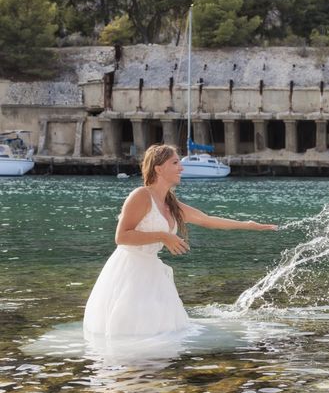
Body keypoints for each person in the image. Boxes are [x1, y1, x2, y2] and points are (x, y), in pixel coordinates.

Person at [83, 144, 277, 338]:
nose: (181, 167)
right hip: (129, 270)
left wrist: (248, 225)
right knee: (131, 332)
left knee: (162, 332)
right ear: (159, 169)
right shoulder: (141, 195)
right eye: (175, 162)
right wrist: (163, 236)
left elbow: (206, 219)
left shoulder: (171, 204)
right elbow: (122, 237)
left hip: (152, 272)